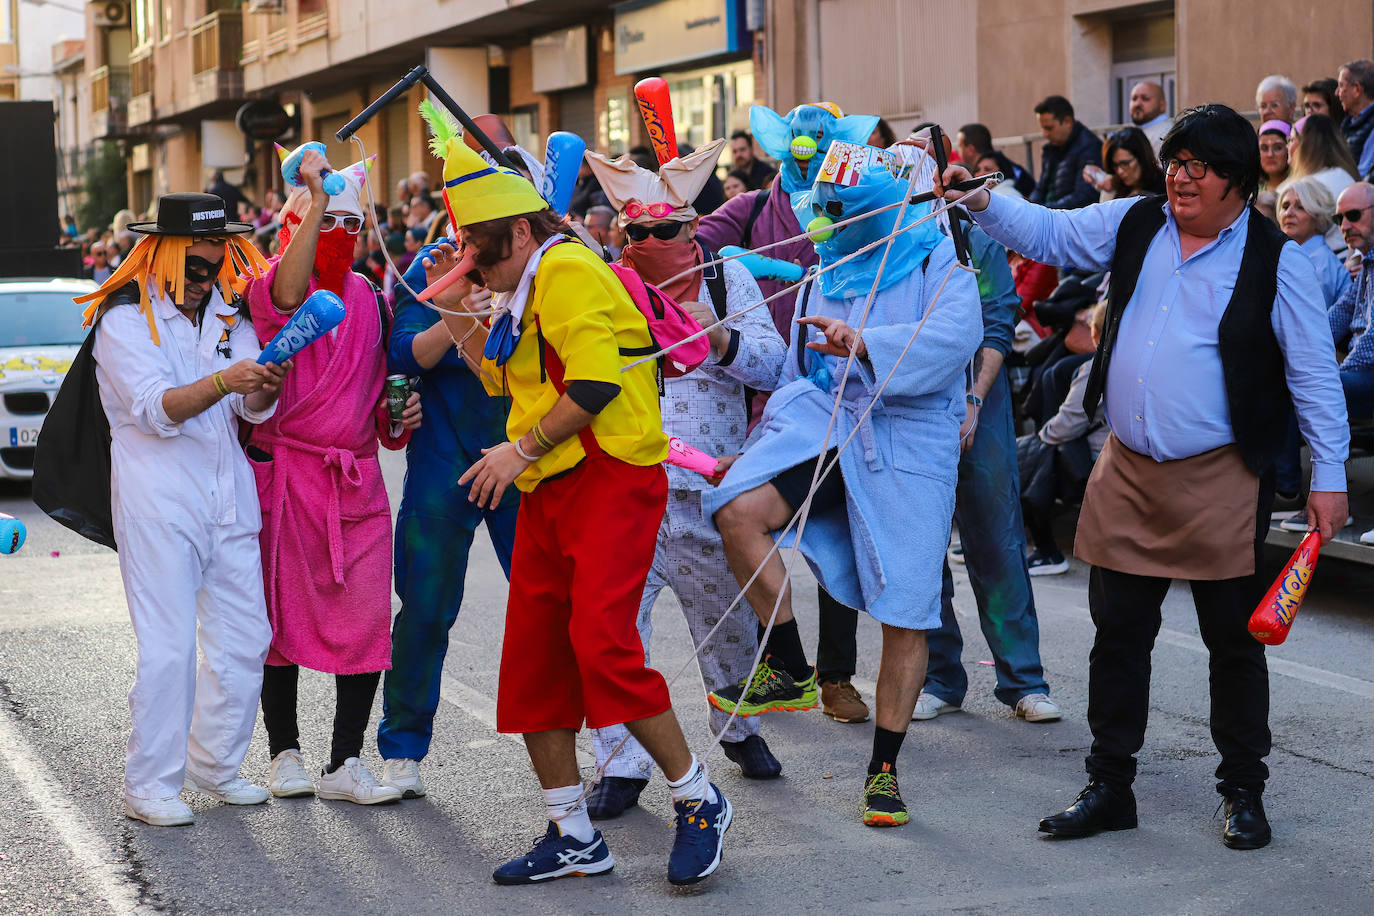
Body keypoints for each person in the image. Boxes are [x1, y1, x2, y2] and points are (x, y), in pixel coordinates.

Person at [938, 103, 1351, 851]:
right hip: (1126, 466)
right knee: (1118, 636)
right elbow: (1050, 233)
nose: (1181, 179)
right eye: (1176, 163)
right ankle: (1110, 786)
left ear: (1237, 181)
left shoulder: (1276, 257)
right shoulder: (1137, 220)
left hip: (1223, 475)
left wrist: (1328, 478)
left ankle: (1242, 792)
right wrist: (979, 199)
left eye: (1199, 167)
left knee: (1233, 643)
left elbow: (1316, 374)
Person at [420, 137, 734, 887]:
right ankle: (572, 832)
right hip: (553, 486)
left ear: (521, 232)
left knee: (601, 645)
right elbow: (497, 377)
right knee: (534, 656)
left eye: (484, 255)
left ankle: (698, 797)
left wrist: (516, 452)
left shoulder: (564, 269)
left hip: (611, 476)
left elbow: (592, 386)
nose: (482, 268)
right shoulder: (521, 281)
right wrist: (462, 304)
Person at [704, 141, 982, 828]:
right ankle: (791, 662)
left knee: (906, 608)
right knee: (737, 511)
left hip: (907, 440)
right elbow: (797, 361)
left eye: (836, 207)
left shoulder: (944, 264)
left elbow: (956, 337)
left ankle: (884, 772)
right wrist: (723, 344)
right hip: (832, 422)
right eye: (820, 207)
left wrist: (864, 343)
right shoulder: (832, 263)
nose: (823, 218)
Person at [581, 138, 788, 816]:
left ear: (693, 225)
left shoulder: (729, 280)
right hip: (626, 491)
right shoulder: (606, 282)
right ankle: (621, 763)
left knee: (727, 624)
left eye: (663, 229)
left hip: (711, 492)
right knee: (615, 634)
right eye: (634, 230)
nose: (648, 241)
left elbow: (774, 364)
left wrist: (719, 336)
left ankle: (738, 727)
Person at [74, 192, 288, 826]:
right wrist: (228, 381)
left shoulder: (229, 313)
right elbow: (153, 409)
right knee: (168, 649)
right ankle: (148, 783)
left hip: (228, 500)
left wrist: (260, 391)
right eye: (194, 266)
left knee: (247, 640)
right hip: (157, 502)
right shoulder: (123, 321)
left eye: (215, 263)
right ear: (162, 255)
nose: (205, 279)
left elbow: (251, 413)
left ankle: (217, 764)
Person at [244, 149, 420, 806]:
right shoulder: (271, 287)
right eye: (326, 221)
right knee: (280, 621)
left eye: (350, 223)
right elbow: (292, 296)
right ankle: (283, 751)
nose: (338, 235)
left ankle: (345, 761)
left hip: (355, 481)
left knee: (368, 618)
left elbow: (377, 408)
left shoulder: (373, 299)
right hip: (288, 476)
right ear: (299, 222)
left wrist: (399, 418)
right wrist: (319, 200)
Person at [697, 102, 880, 726]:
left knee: (834, 532)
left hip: (838, 393)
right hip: (761, 391)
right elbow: (690, 250)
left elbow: (880, 259)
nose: (805, 148)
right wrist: (760, 265)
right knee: (750, 518)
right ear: (780, 143)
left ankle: (835, 676)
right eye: (796, 138)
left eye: (817, 139)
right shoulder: (747, 208)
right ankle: (779, 658)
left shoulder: (853, 201)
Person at [913, 130, 1061, 726]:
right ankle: (941, 678)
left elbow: (1000, 320)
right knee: (921, 553)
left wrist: (973, 400)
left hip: (981, 400)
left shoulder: (975, 238)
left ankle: (1023, 681)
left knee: (996, 542)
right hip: (913, 411)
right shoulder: (886, 245)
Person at [1272, 177, 1353, 505]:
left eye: (1300, 206)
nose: (1288, 212)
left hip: (1317, 360)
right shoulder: (1299, 256)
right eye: (1285, 205)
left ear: (1319, 214)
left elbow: (1305, 337)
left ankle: (1285, 485)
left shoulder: (1311, 263)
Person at [1017, 303, 1108, 570]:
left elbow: (1066, 426)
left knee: (1037, 461)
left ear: (1094, 334)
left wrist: (1041, 437)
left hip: (1095, 457)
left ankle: (1046, 551)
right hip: (1113, 452)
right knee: (1039, 458)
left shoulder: (1097, 367)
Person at [1029, 95, 1101, 209]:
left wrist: (1043, 210)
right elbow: (1041, 188)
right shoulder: (1051, 148)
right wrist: (1028, 206)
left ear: (1067, 121)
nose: (1044, 134)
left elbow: (1084, 197)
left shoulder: (1089, 147)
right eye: (1043, 128)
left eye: (1049, 128)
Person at [1085, 127, 1166, 200]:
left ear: (1142, 158)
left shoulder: (1164, 187)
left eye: (1125, 164)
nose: (1120, 171)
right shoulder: (1116, 187)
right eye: (1115, 165)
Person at [958, 123, 1036, 197]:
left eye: (960, 146)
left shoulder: (1007, 192)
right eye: (977, 170)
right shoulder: (1006, 164)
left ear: (971, 149)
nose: (981, 173)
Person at [1336, 60, 1374, 180]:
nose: (1337, 93)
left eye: (1341, 86)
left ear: (1357, 89)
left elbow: (1362, 174)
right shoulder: (1348, 123)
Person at [1257, 120, 1292, 221]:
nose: (1270, 154)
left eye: (1277, 148)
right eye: (1264, 148)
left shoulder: (1296, 187)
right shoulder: (1252, 190)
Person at [1128, 80, 1171, 153]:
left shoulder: (1166, 134)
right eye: (1134, 98)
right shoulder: (1135, 131)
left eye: (1145, 98)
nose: (1137, 104)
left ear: (1162, 105)